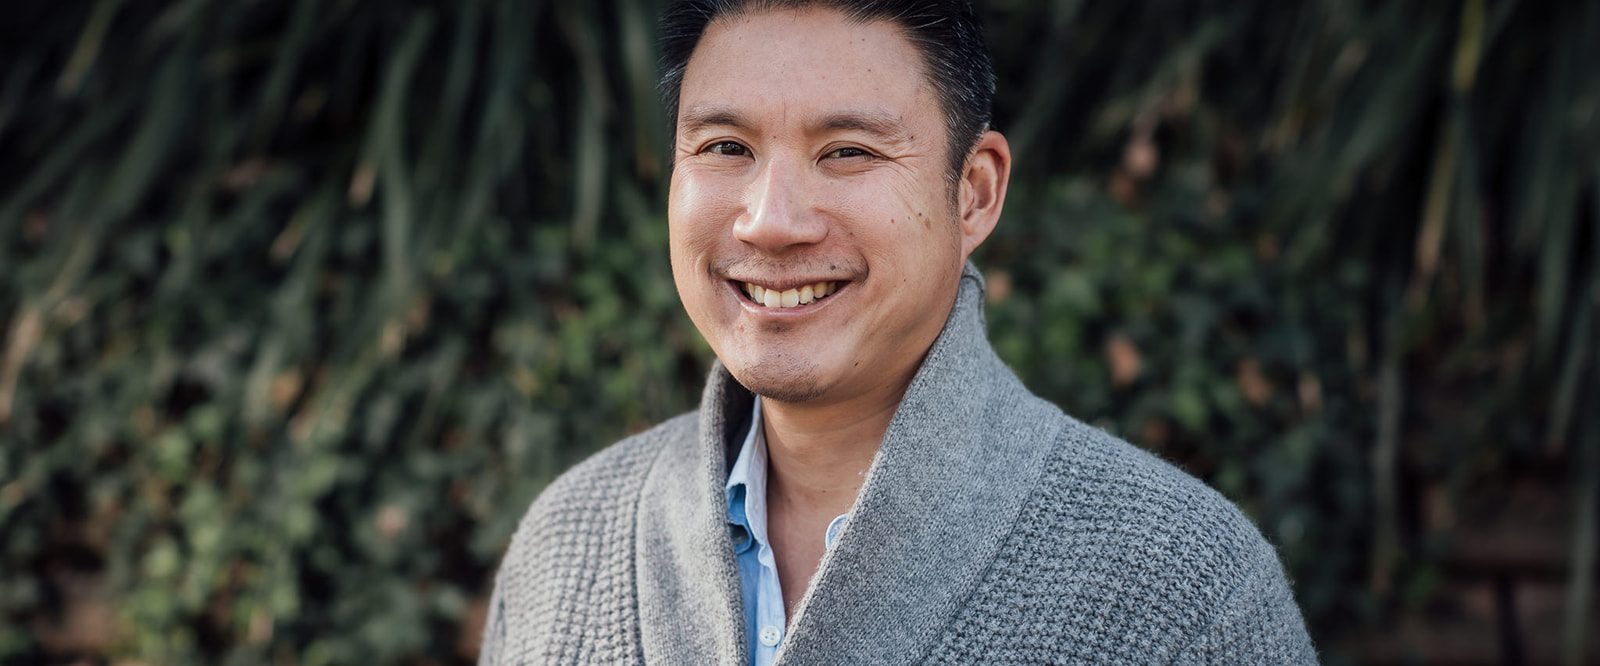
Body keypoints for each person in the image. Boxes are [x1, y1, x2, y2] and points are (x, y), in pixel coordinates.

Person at [479, 1, 1318, 663]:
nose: (770, 222)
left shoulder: (1178, 587)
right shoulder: (569, 540)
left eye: (846, 152)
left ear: (975, 193)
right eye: (726, 146)